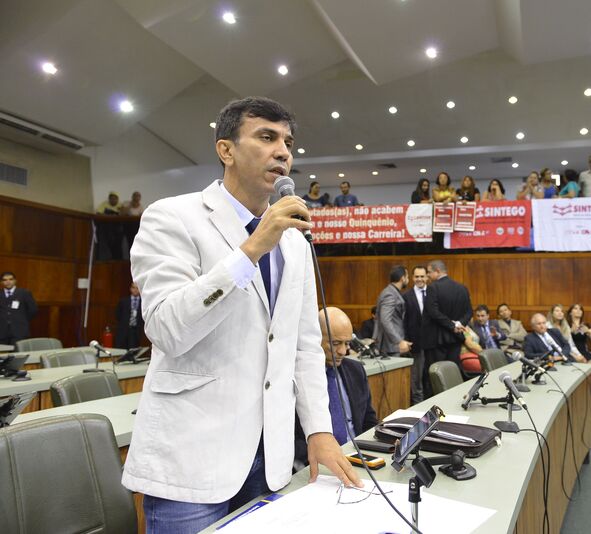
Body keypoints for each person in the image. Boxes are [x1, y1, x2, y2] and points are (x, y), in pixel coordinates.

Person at [123, 96, 361, 532]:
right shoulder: (173, 217)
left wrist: (319, 431)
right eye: (267, 137)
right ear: (226, 150)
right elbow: (166, 329)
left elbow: (305, 347)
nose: (282, 152)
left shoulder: (294, 242)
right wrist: (250, 251)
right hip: (192, 459)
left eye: (288, 142)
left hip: (268, 460)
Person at [294, 308, 379, 466]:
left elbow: (369, 421)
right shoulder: (295, 377)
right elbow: (291, 440)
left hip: (358, 457)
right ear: (314, 339)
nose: (343, 351)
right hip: (318, 462)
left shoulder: (356, 370)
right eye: (335, 343)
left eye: (347, 343)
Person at [523, 313, 591, 421]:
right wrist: (550, 357)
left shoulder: (554, 332)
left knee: (590, 376)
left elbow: (566, 345)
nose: (542, 326)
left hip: (566, 361)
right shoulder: (529, 338)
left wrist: (562, 355)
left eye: (544, 323)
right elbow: (528, 354)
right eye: (539, 324)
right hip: (551, 367)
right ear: (533, 326)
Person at [425, 260, 473, 374]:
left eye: (429, 272)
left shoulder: (432, 287)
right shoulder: (462, 288)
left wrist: (453, 326)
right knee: (453, 373)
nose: (428, 275)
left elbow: (433, 312)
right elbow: (469, 312)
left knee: (437, 374)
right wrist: (459, 324)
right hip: (456, 338)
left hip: (437, 340)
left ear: (437, 271)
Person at [403, 265, 435, 402]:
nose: (419, 279)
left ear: (427, 277)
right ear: (412, 278)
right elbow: (404, 321)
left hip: (433, 345)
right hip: (415, 345)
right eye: (417, 276)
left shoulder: (434, 293)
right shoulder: (406, 296)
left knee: (431, 377)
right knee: (416, 381)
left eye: (422, 276)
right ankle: (418, 405)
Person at [372, 265, 412, 356]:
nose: (408, 280)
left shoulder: (391, 291)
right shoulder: (389, 294)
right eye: (407, 277)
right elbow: (385, 320)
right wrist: (399, 341)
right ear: (402, 278)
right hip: (390, 346)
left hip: (391, 345)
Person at [0, 272, 37, 348]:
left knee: (18, 353)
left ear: (15, 281)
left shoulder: (24, 293)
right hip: (2, 332)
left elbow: (33, 310)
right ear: (1, 282)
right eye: (5, 280)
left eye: (10, 279)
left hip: (19, 331)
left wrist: (22, 320)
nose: (8, 282)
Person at [115, 282, 144, 349]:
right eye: (133, 288)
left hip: (137, 331)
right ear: (130, 289)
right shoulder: (123, 301)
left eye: (137, 288)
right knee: (121, 348)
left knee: (134, 350)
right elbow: (118, 315)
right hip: (124, 329)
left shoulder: (143, 302)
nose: (135, 290)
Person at [96, 191, 124, 259]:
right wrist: (110, 216)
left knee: (117, 246)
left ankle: (117, 260)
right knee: (106, 245)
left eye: (115, 198)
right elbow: (98, 213)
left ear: (117, 199)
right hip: (106, 228)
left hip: (117, 229)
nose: (113, 200)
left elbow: (124, 215)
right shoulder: (104, 204)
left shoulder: (121, 205)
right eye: (111, 198)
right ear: (109, 199)